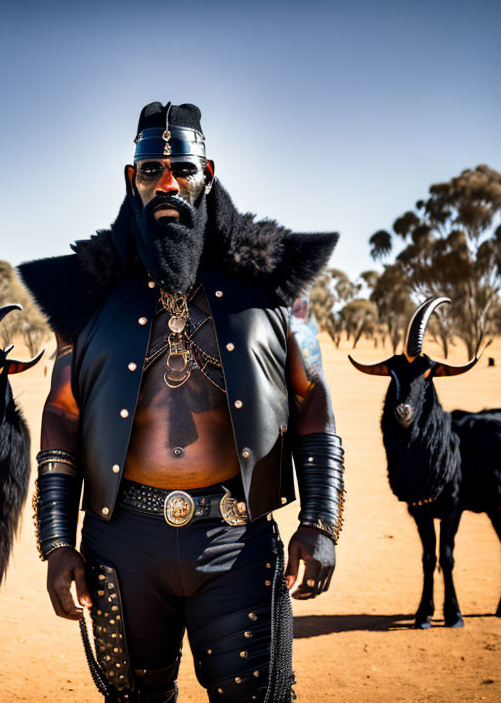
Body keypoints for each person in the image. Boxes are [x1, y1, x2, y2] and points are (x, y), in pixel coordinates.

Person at [18, 102, 344, 703]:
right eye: (150, 171)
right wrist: (58, 541)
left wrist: (320, 521)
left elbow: (311, 395)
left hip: (237, 544)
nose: (166, 184)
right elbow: (62, 412)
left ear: (207, 173)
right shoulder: (87, 294)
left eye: (181, 169)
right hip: (123, 547)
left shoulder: (277, 284)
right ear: (131, 179)